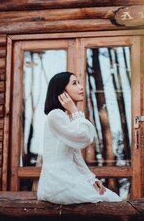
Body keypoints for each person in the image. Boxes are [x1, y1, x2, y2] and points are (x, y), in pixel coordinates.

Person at [37, 71, 122, 204]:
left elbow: (75, 156)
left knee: (111, 197)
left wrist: (91, 179)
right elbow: (83, 137)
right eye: (75, 83)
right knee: (107, 200)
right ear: (62, 92)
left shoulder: (64, 117)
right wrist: (75, 111)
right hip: (57, 182)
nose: (81, 87)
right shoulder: (55, 115)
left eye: (79, 83)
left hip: (67, 177)